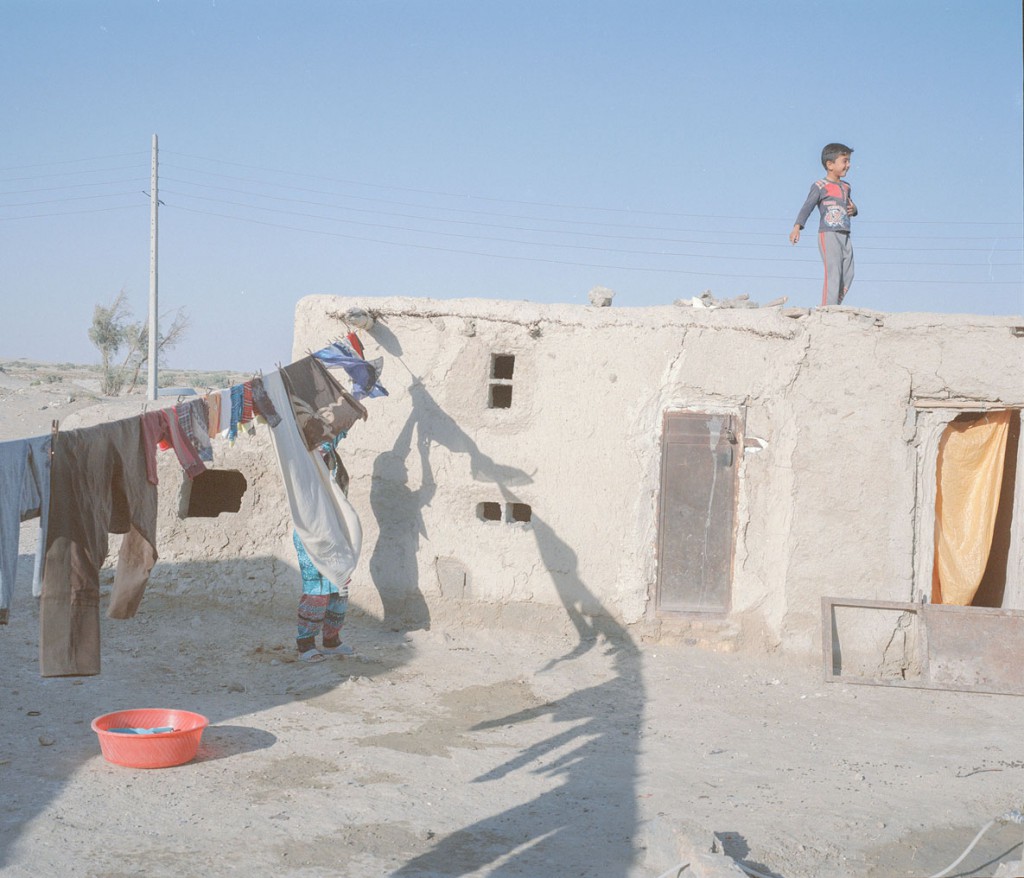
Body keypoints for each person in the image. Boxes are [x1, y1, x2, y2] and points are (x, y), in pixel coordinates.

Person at [790, 143, 858, 305]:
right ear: (830, 165)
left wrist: (854, 210)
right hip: (828, 233)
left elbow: (851, 206)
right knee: (833, 271)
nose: (848, 165)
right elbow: (807, 206)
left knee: (849, 273)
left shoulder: (846, 187)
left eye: (849, 161)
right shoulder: (820, 186)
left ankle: (834, 304)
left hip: (845, 233)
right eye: (844, 161)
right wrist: (797, 227)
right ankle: (828, 308)